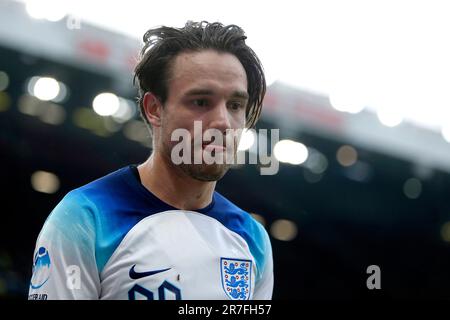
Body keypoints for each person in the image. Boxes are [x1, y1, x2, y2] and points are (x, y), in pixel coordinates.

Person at [28, 21, 273, 300]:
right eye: (201, 102)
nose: (223, 122)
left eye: (235, 105)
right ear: (154, 109)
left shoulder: (254, 241)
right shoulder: (85, 217)